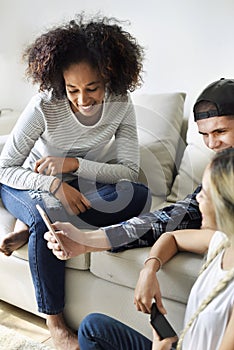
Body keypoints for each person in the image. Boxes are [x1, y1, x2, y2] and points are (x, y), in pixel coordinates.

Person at [0, 14, 151, 350]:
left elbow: (127, 170)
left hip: (77, 185)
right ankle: (56, 326)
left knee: (138, 195)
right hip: (27, 183)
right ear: (60, 83)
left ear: (109, 77)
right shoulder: (44, 106)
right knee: (49, 210)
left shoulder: (121, 105)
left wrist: (72, 165)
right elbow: (5, 167)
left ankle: (33, 229)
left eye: (92, 88)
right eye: (72, 90)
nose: (82, 100)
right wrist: (54, 184)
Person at [43, 78, 234, 260]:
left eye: (220, 132)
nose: (212, 144)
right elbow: (177, 215)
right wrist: (86, 241)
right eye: (205, 134)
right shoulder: (221, 171)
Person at [70, 148, 234, 349]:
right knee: (92, 328)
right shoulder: (222, 240)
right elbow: (171, 237)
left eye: (205, 194)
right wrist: (149, 269)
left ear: (226, 205)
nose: (196, 199)